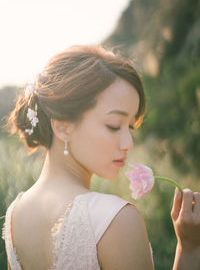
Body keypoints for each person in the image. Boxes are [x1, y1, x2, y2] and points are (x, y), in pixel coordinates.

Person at [1, 44, 200, 270]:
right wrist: (190, 248)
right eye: (114, 126)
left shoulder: (15, 215)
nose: (128, 144)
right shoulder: (114, 219)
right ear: (63, 127)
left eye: (130, 127)